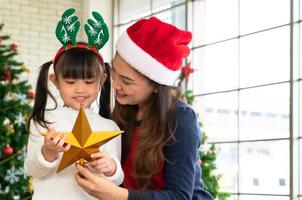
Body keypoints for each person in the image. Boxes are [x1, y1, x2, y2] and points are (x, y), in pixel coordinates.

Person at [75, 17, 214, 200]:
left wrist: (116, 195)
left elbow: (180, 196)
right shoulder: (124, 111)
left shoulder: (180, 117)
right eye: (114, 73)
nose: (115, 85)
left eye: (126, 81)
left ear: (157, 85)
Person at [24, 9, 123, 200]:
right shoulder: (43, 121)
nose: (80, 89)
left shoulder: (110, 127)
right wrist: (48, 151)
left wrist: (111, 168)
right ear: (55, 81)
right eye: (70, 82)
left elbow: (116, 182)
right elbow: (32, 170)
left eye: (88, 82)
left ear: (102, 80)